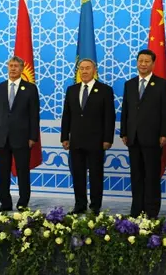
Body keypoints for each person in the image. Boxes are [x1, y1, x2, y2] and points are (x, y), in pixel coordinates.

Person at [120, 49, 166, 219]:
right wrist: (124, 132)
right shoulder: (129, 84)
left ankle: (151, 210)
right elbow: (125, 110)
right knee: (136, 175)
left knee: (151, 176)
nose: (143, 64)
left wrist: (165, 133)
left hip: (153, 137)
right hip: (133, 137)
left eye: (146, 61)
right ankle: (136, 209)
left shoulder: (162, 84)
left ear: (153, 64)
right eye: (140, 61)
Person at [61, 59, 115, 215]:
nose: (84, 71)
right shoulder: (71, 90)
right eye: (81, 68)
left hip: (96, 141)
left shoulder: (105, 90)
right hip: (76, 140)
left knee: (96, 175)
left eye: (87, 68)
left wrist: (107, 139)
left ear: (94, 70)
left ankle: (95, 206)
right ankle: (80, 204)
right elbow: (67, 116)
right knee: (77, 174)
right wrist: (65, 136)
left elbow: (109, 117)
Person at [0, 56, 40, 212]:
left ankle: (23, 203)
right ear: (7, 67)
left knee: (23, 171)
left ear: (22, 68)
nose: (13, 68)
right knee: (3, 172)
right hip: (2, 137)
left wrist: (33, 137)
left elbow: (34, 115)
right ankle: (5, 203)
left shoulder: (30, 89)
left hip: (23, 138)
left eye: (16, 66)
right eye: (10, 65)